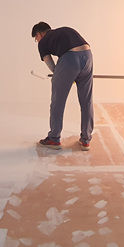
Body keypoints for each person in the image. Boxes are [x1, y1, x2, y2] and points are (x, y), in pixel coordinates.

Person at [31, 21, 94, 151]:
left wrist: (60, 76)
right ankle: (86, 139)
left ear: (39, 34)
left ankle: (54, 138)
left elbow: (50, 64)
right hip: (88, 56)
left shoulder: (43, 42)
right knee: (86, 101)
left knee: (57, 101)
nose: (37, 41)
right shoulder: (65, 30)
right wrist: (72, 75)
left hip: (70, 59)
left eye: (36, 38)